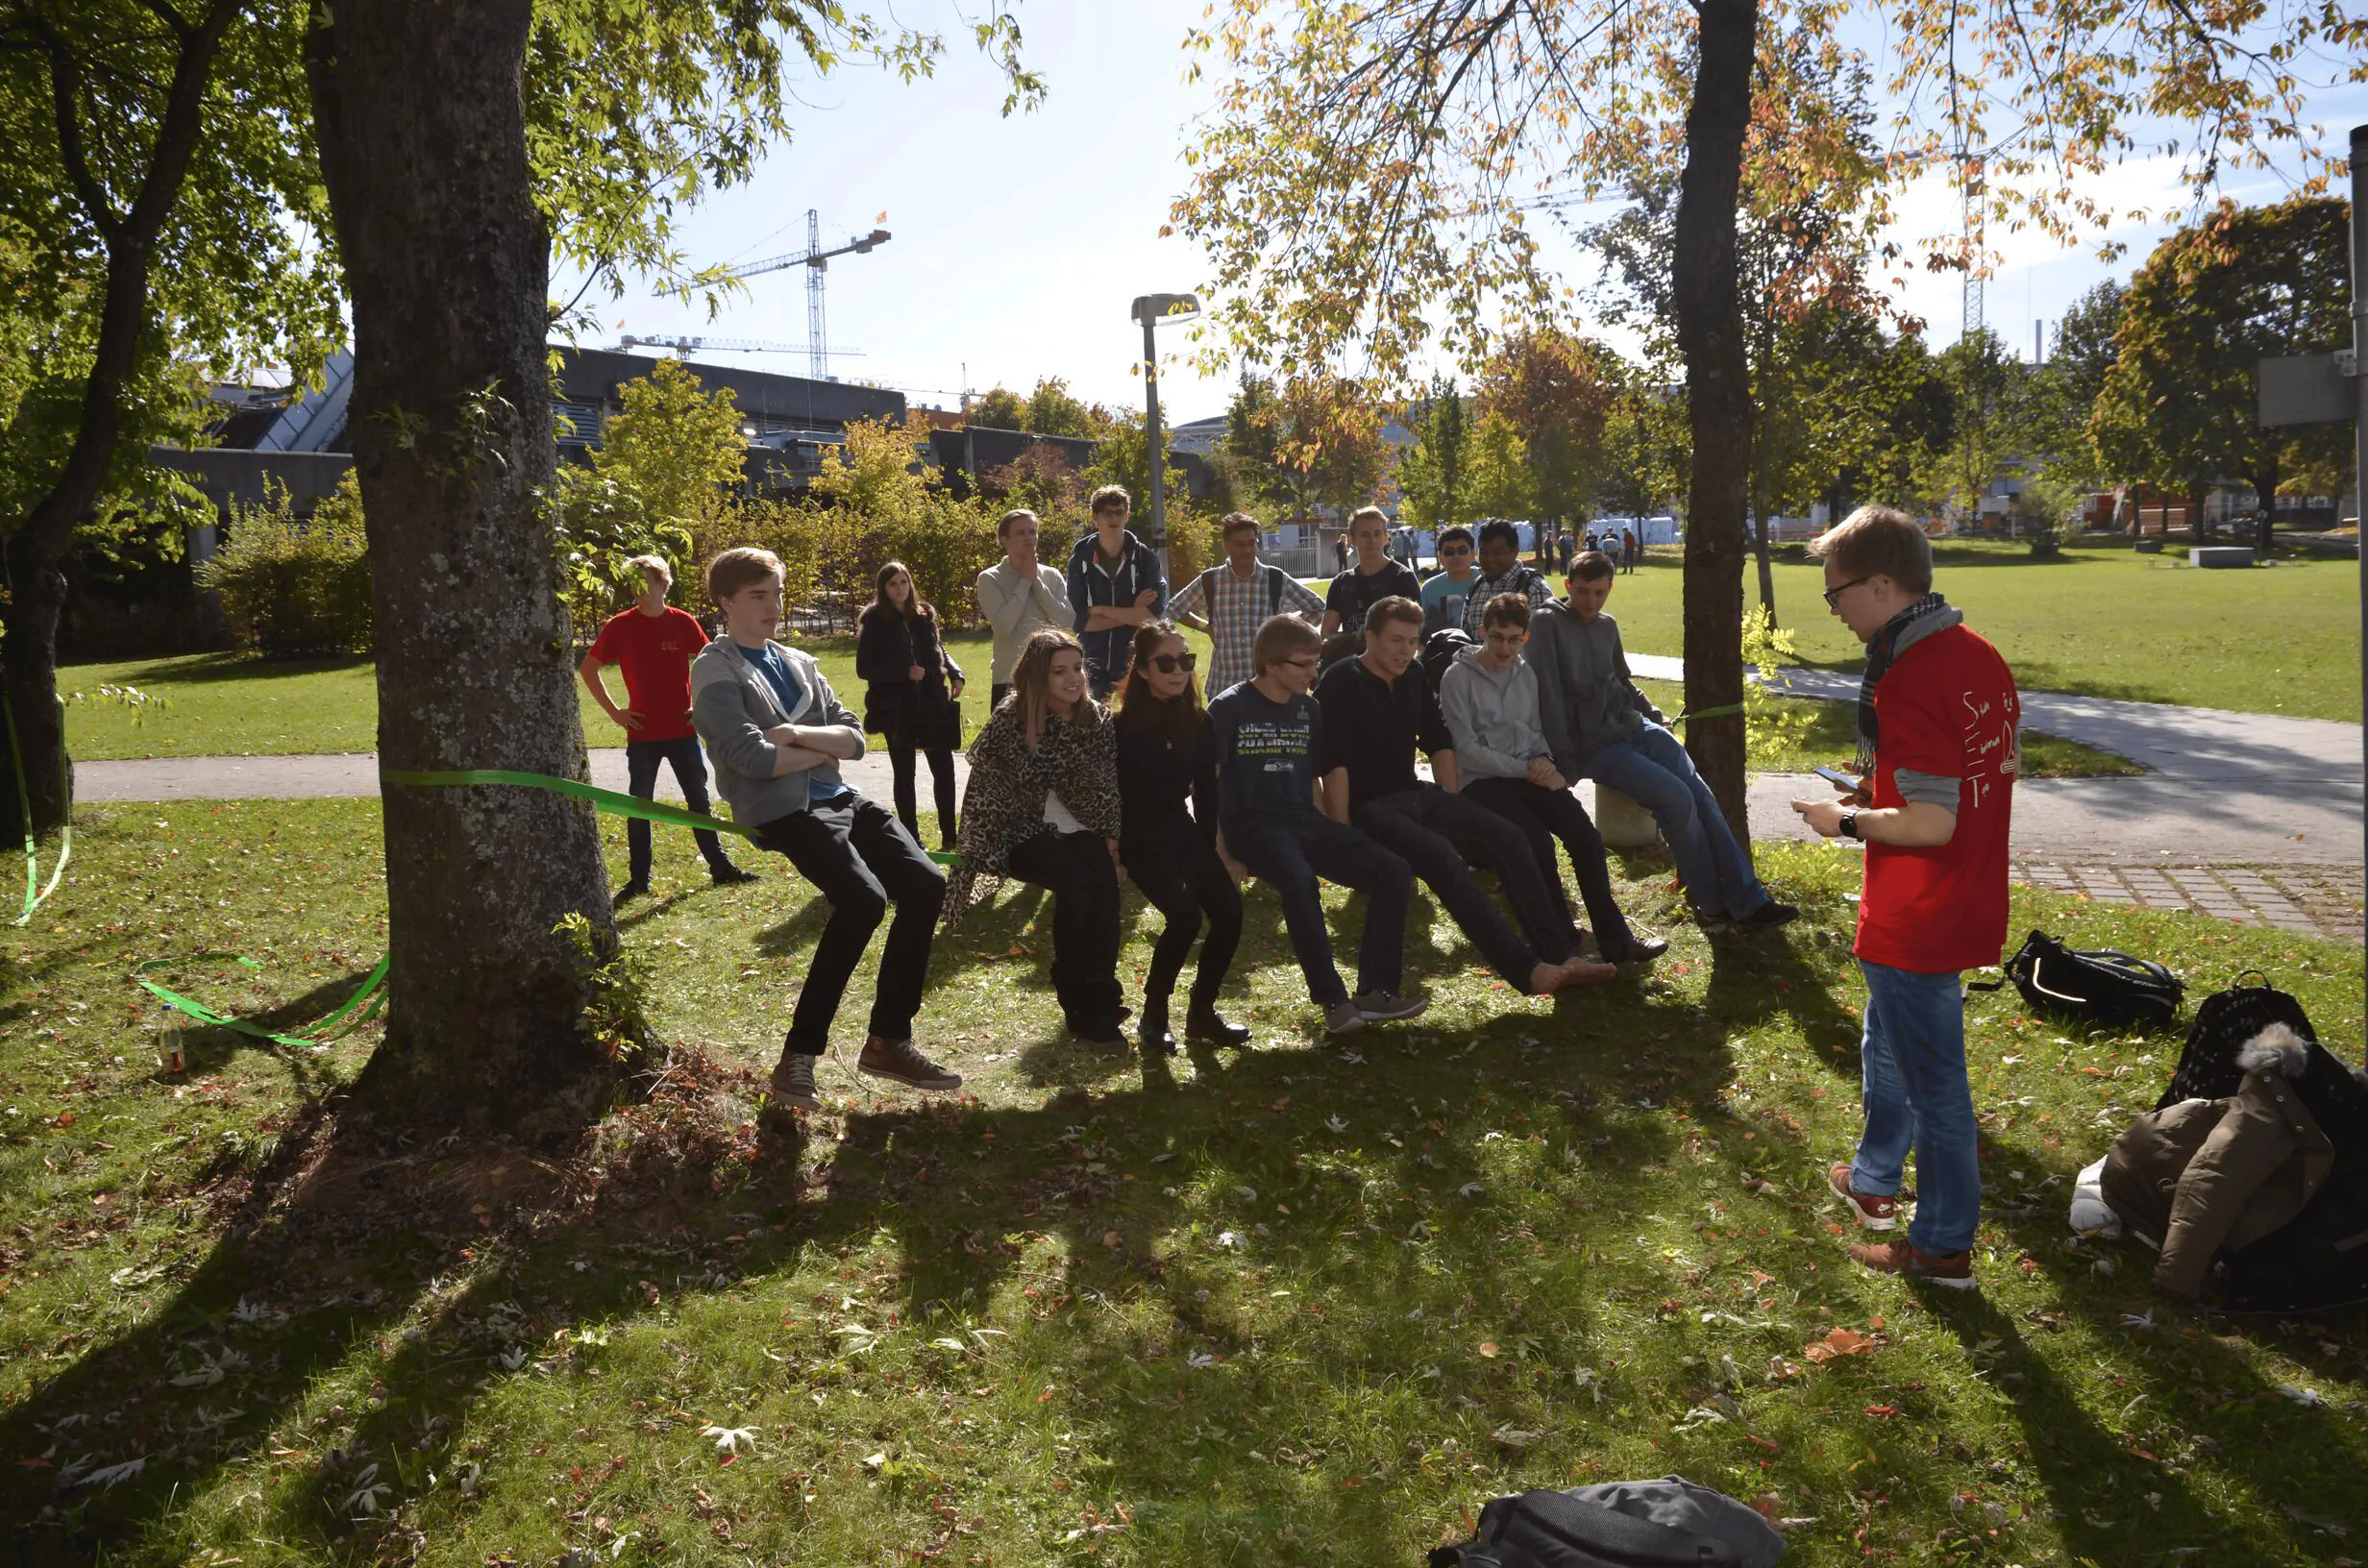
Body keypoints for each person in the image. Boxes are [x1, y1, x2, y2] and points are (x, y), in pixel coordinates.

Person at [1792, 506, 2018, 1290]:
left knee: (1937, 1090)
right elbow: (1948, 780)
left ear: (1882, 585)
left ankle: (1943, 1247)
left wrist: (1845, 818)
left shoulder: (1913, 675)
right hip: (1955, 900)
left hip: (1922, 911)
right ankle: (1874, 1180)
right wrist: (1875, 787)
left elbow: (1929, 820)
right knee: (1884, 1050)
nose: (1836, 611)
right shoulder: (1975, 653)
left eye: (1837, 595)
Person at [691, 548, 959, 1113]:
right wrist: (813, 747)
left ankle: (888, 1041)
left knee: (927, 885)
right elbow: (750, 759)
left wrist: (791, 733)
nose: (774, 606)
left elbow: (856, 739)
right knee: (863, 900)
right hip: (784, 810)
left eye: (778, 594)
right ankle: (798, 1058)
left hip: (839, 796)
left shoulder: (799, 661)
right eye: (758, 596)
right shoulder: (714, 669)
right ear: (725, 602)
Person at [1317, 596, 1616, 996]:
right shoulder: (1341, 680)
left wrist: (1453, 804)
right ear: (1369, 637)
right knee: (1444, 860)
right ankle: (1527, 970)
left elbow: (1438, 743)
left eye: (1412, 641)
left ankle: (1562, 955)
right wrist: (1341, 832)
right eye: (1395, 641)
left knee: (1510, 836)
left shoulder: (1412, 675)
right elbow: (1332, 764)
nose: (1405, 650)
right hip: (1369, 805)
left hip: (1414, 792)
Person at [1530, 551, 1797, 930]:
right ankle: (1712, 903)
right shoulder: (1545, 623)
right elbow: (1549, 697)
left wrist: (1654, 714)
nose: (1591, 602)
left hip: (1636, 727)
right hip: (1597, 747)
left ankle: (1749, 900)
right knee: (1676, 799)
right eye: (1583, 592)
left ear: (1610, 589)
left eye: (1599, 593)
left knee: (1702, 795)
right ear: (1567, 585)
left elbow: (1621, 680)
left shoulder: (1607, 625)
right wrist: (1567, 762)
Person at [1210, 615, 1423, 1034]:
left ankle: (1377, 992)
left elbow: (1310, 778)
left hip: (1304, 819)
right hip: (1253, 827)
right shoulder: (1229, 707)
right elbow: (1210, 787)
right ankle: (1332, 1000)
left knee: (1393, 871)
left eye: (1315, 663)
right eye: (1304, 665)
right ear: (1271, 665)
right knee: (1299, 879)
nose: (1314, 673)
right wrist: (1221, 851)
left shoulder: (1310, 709)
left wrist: (1336, 832)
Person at [1441, 593, 1668, 966]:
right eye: (1496, 637)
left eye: (1514, 639)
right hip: (1482, 781)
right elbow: (1466, 749)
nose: (1504, 648)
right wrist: (1527, 769)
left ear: (1524, 639)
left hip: (1528, 771)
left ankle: (1616, 939)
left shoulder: (1525, 672)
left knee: (1585, 837)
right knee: (1536, 841)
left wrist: (1546, 761)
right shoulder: (1457, 677)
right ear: (1483, 632)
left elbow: (1533, 729)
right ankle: (1563, 939)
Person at [945, 630, 1129, 1050]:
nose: (1073, 679)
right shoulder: (1012, 720)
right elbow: (984, 791)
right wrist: (976, 851)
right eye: (1059, 671)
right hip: (1020, 832)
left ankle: (1102, 1004)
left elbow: (1104, 789)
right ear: (1036, 677)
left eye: (1078, 668)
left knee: (1104, 891)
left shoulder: (1096, 720)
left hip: (1082, 827)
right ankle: (1075, 999)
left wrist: (1112, 845)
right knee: (1076, 884)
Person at [580, 554, 757, 901]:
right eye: (632, 583)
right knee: (639, 806)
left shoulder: (682, 622)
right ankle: (638, 880)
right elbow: (588, 669)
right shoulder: (620, 625)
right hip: (643, 734)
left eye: (644, 581)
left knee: (699, 803)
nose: (636, 589)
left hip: (683, 730)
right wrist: (615, 711)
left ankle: (720, 868)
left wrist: (702, 704)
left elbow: (714, 663)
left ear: (662, 584)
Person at [1113, 622, 1251, 1054]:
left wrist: (1212, 852)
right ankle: (1154, 1017)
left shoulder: (1199, 721)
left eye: (1185, 661)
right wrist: (1113, 851)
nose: (1178, 670)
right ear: (1142, 669)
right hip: (1137, 835)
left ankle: (1202, 1014)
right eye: (1166, 662)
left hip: (1179, 828)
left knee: (1229, 912)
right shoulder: (1118, 726)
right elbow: (1106, 795)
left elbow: (1207, 794)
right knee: (1185, 917)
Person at [855, 560, 966, 851]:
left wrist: (955, 673)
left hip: (931, 700)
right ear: (883, 587)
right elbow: (864, 668)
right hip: (895, 706)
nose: (900, 588)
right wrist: (903, 674)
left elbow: (939, 648)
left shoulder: (923, 614)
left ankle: (950, 836)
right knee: (905, 773)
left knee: (944, 770)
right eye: (893, 583)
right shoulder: (875, 620)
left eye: (904, 582)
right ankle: (911, 839)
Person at [1170, 511, 1326, 698]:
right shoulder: (1211, 580)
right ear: (1226, 545)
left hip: (1269, 686)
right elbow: (1174, 608)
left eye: (1251, 543)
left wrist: (1285, 628)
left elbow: (1318, 607)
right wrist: (1206, 627)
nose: (1247, 550)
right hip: (1223, 685)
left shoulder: (1274, 578)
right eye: (1239, 544)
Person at [1066, 484, 1166, 698]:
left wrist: (1101, 610)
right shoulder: (1080, 560)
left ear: (1127, 515)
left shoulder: (1145, 559)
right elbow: (1082, 622)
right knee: (1093, 724)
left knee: (1135, 727)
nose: (1114, 518)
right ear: (1095, 516)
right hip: (1092, 660)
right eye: (1107, 513)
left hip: (1136, 660)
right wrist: (1132, 613)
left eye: (1119, 512)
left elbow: (1150, 617)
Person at [975, 507, 1072, 710]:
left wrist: (1035, 581)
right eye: (1021, 533)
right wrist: (1024, 582)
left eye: (1032, 531)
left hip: (1051, 677)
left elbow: (1066, 622)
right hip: (1009, 679)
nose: (1029, 537)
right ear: (1004, 539)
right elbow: (1004, 627)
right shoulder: (990, 578)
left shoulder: (1052, 575)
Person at [1320, 504, 1421, 662]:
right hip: (1351, 666)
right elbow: (1327, 633)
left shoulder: (1403, 578)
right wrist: (1351, 641)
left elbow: (1414, 630)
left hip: (1392, 665)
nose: (1372, 540)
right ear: (1353, 540)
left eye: (1377, 534)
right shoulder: (1341, 583)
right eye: (1365, 535)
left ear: (1386, 538)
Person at [1459, 519, 1556, 637]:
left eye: (1497, 553)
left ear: (1515, 551)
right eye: (1484, 552)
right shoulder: (1477, 586)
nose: (1490, 559)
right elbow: (1465, 640)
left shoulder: (1534, 588)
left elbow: (1544, 643)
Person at [1419, 525, 1479, 636]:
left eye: (1462, 551)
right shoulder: (1429, 589)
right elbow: (1421, 631)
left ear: (1473, 554)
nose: (1456, 556)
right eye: (1449, 552)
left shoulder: (1486, 580)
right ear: (1440, 556)